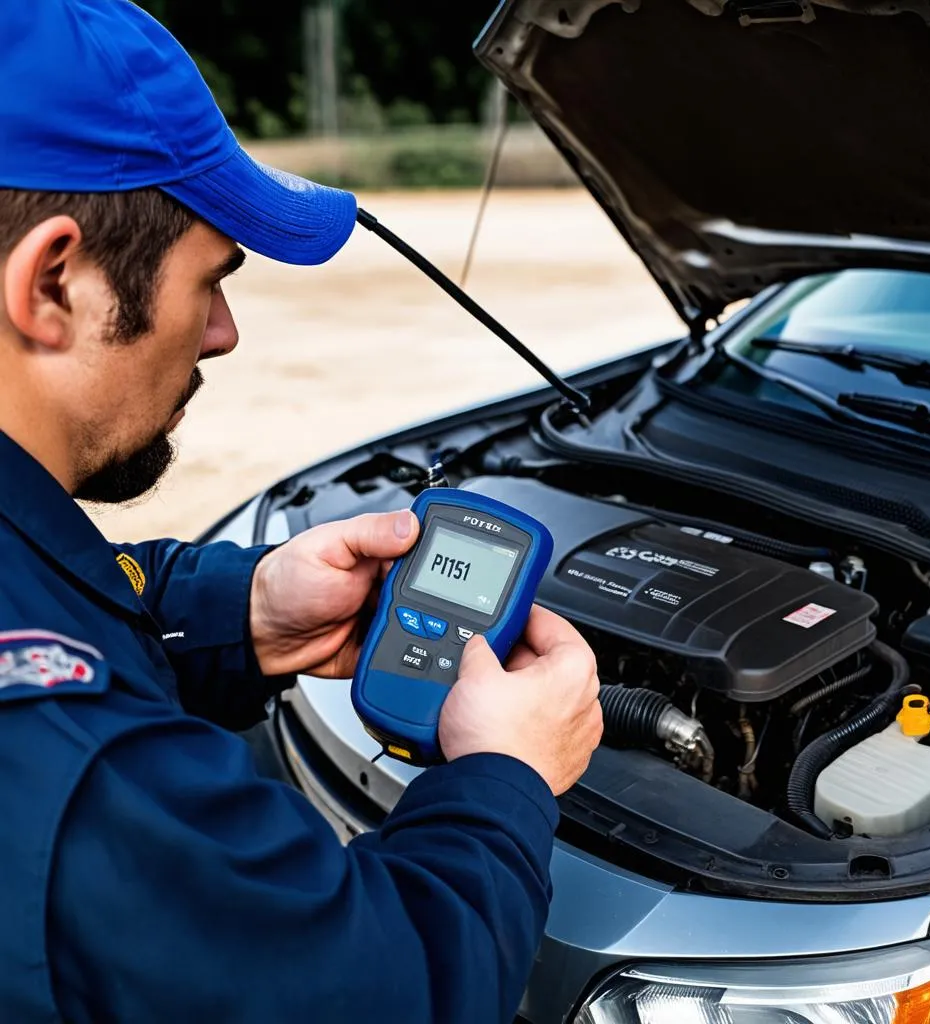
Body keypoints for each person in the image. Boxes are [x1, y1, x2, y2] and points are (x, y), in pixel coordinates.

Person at [0, 2, 603, 1021]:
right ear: (51, 283)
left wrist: (238, 610)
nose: (223, 333)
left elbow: (60, 601)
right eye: (213, 280)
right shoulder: (77, 760)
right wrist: (504, 777)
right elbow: (388, 989)